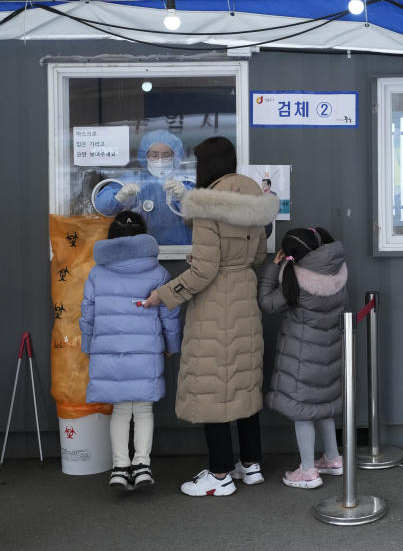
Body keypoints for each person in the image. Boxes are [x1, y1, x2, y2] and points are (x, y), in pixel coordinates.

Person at [141, 136, 279, 497]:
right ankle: (251, 465)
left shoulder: (206, 204)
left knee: (212, 385)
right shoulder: (255, 201)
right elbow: (258, 257)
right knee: (243, 383)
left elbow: (203, 271)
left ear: (208, 166)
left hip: (216, 303)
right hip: (244, 298)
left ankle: (219, 474)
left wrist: (164, 294)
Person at [79, 211, 181, 491]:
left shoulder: (97, 273)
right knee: (144, 409)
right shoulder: (158, 272)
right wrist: (172, 346)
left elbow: (87, 314)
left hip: (109, 353)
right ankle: (142, 465)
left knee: (121, 410)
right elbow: (169, 314)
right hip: (146, 351)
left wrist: (89, 345)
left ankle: (120, 467)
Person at [258, 227, 348, 489]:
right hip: (330, 351)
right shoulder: (339, 270)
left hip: (301, 354)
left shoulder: (295, 276)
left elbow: (268, 303)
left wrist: (273, 269)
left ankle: (308, 471)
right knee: (323, 406)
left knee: (303, 412)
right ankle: (333, 459)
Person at [94, 130, 193, 245]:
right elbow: (102, 207)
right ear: (145, 156)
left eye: (166, 155)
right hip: (138, 250)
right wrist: (119, 197)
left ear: (174, 156)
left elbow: (202, 211)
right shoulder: (133, 178)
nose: (160, 159)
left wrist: (185, 196)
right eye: (154, 155)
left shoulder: (184, 180)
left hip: (178, 250)